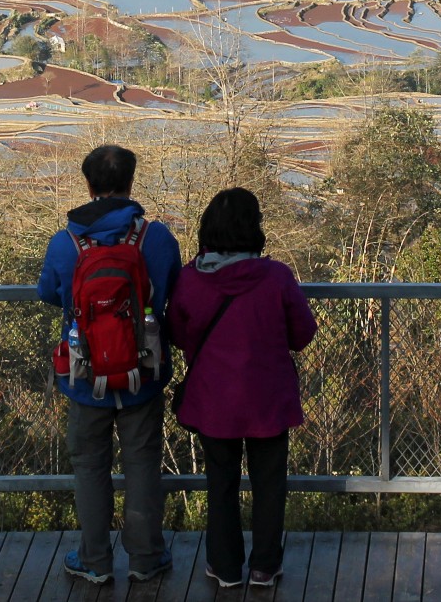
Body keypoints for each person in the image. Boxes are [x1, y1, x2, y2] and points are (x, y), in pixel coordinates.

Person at [37, 143, 182, 586]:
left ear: (88, 185)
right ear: (131, 182)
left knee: (90, 466)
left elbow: (48, 293)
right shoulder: (155, 238)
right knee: (141, 463)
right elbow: (171, 289)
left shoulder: (66, 242)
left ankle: (94, 560)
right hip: (144, 371)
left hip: (83, 374)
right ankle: (145, 557)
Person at [168, 187, 317, 589]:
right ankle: (265, 566)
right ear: (255, 228)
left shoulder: (189, 279)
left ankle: (225, 566)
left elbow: (179, 335)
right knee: (270, 485)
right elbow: (302, 334)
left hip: (213, 402)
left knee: (221, 485)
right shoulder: (276, 277)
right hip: (268, 400)